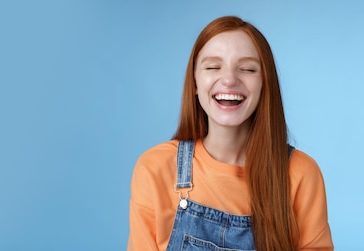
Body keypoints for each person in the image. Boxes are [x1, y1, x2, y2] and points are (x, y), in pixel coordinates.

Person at [127, 16, 333, 251]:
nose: (229, 80)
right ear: (194, 81)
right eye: (213, 67)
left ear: (265, 83)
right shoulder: (155, 167)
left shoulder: (301, 174)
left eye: (247, 69)